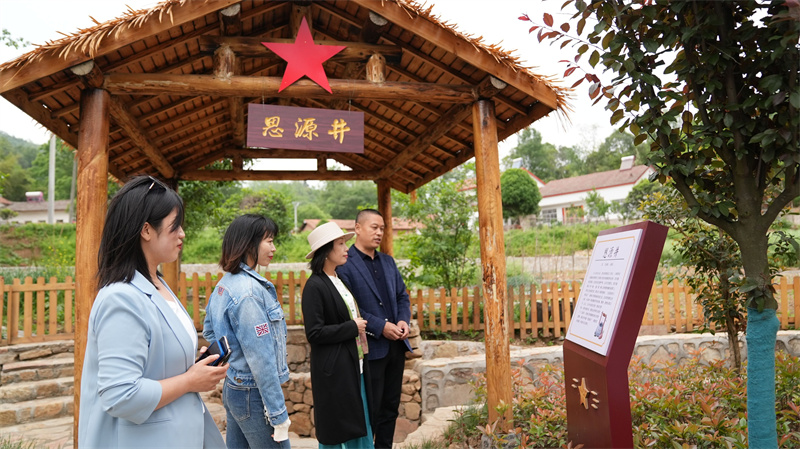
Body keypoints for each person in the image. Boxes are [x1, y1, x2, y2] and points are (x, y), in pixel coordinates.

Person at [78, 175, 227, 448]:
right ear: (146, 230)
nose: (182, 234)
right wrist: (189, 381)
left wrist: (195, 367)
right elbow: (120, 395)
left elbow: (158, 362)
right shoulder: (121, 298)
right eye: (175, 226)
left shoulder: (157, 284)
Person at [203, 214, 292, 449]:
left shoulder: (225, 284)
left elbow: (210, 332)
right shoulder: (248, 293)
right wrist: (278, 413)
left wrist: (234, 362)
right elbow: (261, 359)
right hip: (253, 394)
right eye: (269, 241)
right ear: (248, 242)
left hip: (235, 387)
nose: (273, 247)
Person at [337, 209, 414, 449]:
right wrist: (381, 327)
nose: (379, 232)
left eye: (382, 228)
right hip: (369, 349)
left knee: (390, 408)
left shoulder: (388, 262)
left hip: (396, 347)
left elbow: (402, 297)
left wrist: (403, 321)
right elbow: (351, 308)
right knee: (370, 409)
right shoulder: (345, 263)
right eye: (374, 227)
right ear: (357, 228)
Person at [301, 222, 374, 449]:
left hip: (353, 363)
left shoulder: (338, 279)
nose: (346, 248)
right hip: (335, 370)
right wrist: (352, 327)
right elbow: (314, 332)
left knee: (359, 422)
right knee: (337, 429)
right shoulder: (314, 286)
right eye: (340, 244)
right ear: (325, 251)